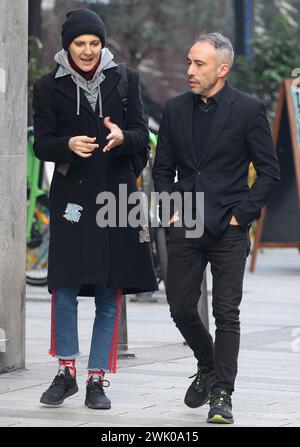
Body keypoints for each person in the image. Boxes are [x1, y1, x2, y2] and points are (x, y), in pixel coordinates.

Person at [32, 8, 157, 410]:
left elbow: (143, 136)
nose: (88, 51)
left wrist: (125, 137)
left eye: (95, 43)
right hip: (71, 200)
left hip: (116, 198)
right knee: (64, 285)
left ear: (103, 45)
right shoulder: (47, 86)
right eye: (80, 43)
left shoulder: (125, 80)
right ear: (67, 46)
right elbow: (42, 143)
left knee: (109, 289)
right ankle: (66, 372)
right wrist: (66, 145)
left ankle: (97, 379)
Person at [152, 32, 280, 424]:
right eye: (189, 62)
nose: (189, 70)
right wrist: (172, 209)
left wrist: (242, 215)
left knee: (227, 314)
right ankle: (208, 366)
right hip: (186, 221)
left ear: (222, 69)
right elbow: (162, 169)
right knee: (180, 307)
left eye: (199, 64)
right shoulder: (174, 109)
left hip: (229, 226)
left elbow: (270, 172)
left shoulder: (247, 109)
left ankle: (222, 393)